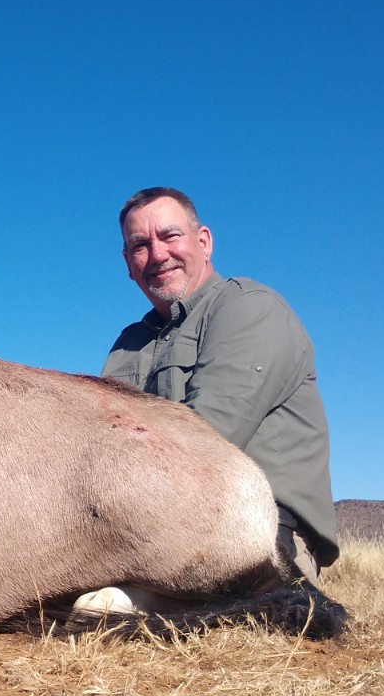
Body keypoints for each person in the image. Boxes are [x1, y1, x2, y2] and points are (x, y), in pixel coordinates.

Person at [102, 186, 338, 583]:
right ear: (128, 263)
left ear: (203, 242)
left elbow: (204, 443)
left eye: (170, 236)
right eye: (140, 245)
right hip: (147, 529)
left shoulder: (250, 308)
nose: (157, 255)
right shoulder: (129, 343)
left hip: (256, 532)